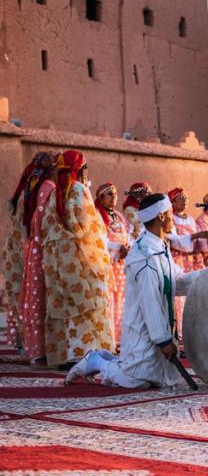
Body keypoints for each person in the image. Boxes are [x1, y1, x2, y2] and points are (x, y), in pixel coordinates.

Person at [66, 194, 201, 388]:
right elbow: (150, 300)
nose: (174, 218)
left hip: (158, 329)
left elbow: (176, 282)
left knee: (162, 380)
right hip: (145, 330)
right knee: (136, 380)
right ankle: (96, 362)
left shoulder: (160, 246)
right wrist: (162, 340)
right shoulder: (145, 254)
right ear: (161, 216)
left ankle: (110, 361)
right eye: (171, 213)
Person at [41, 150, 115, 367]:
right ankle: (91, 354)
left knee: (62, 303)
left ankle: (65, 355)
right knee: (89, 300)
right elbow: (89, 226)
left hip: (55, 258)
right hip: (78, 255)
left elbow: (46, 227)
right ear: (81, 170)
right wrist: (101, 256)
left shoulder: (54, 194)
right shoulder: (79, 190)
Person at [1, 152, 56, 364]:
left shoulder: (28, 193)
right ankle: (34, 350)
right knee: (33, 299)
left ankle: (30, 348)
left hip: (22, 250)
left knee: (27, 298)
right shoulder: (40, 192)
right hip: (27, 251)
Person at [166, 187, 208, 339]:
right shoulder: (171, 219)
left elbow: (199, 242)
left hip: (192, 259)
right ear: (172, 201)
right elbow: (175, 241)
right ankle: (179, 333)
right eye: (180, 197)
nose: (185, 200)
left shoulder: (189, 219)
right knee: (179, 296)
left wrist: (205, 238)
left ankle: (193, 331)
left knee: (193, 293)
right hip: (178, 259)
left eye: (186, 197)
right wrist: (198, 235)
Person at [94, 182, 130, 344]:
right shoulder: (97, 215)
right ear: (101, 197)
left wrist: (126, 247)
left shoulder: (119, 216)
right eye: (110, 194)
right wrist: (118, 248)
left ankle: (117, 338)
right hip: (106, 264)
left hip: (120, 264)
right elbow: (99, 240)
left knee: (120, 300)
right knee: (108, 300)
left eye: (115, 194)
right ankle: (107, 339)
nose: (113, 197)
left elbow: (127, 236)